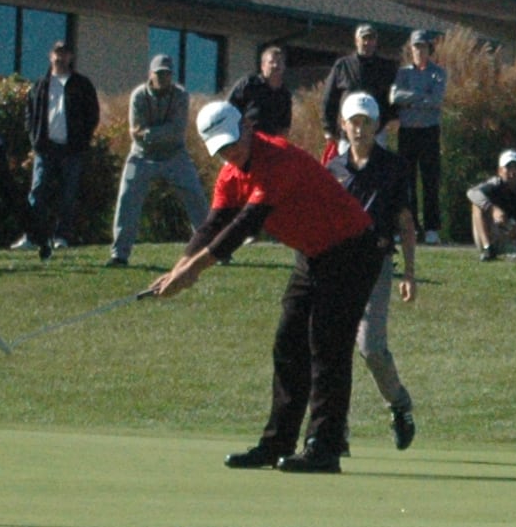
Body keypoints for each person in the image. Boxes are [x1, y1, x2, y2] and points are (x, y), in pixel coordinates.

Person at [150, 101, 383, 474]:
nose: (231, 153)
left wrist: (192, 272)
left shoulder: (277, 159)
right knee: (288, 343)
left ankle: (324, 447)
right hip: (313, 254)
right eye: (222, 149)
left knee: (327, 346)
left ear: (245, 126)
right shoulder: (231, 173)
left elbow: (244, 226)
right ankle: (277, 443)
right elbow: (214, 225)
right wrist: (176, 269)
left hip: (352, 250)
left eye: (233, 142)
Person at [326, 93, 421, 450]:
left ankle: (399, 405)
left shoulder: (393, 168)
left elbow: (406, 222)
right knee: (333, 350)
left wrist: (409, 274)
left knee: (371, 348)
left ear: (376, 125)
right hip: (337, 267)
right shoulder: (332, 170)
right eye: (354, 122)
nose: (359, 128)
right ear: (344, 125)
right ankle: (336, 430)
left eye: (366, 122)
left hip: (376, 265)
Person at [110, 54, 209, 267]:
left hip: (175, 155)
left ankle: (211, 249)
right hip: (141, 156)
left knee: (196, 198)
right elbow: (134, 133)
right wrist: (151, 133)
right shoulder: (138, 96)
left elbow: (176, 131)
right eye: (159, 74)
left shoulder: (181, 95)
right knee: (127, 201)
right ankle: (119, 255)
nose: (163, 78)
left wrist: (148, 132)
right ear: (150, 75)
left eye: (167, 74)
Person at [16, 40, 99, 260]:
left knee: (68, 194)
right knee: (37, 190)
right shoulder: (41, 85)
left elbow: (92, 115)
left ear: (71, 57)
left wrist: (82, 140)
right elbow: (29, 114)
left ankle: (62, 236)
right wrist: (35, 139)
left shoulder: (81, 84)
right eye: (57, 53)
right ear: (50, 55)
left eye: (64, 53)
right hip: (45, 148)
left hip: (72, 149)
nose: (60, 57)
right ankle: (33, 236)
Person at [390, 30, 449, 245]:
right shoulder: (403, 73)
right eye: (416, 46)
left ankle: (432, 228)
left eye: (423, 46)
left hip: (429, 130)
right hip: (407, 131)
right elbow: (395, 96)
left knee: (430, 179)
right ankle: (410, 226)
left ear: (429, 49)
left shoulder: (438, 72)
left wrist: (412, 100)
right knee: (407, 180)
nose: (419, 51)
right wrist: (422, 97)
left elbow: (437, 100)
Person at [319, 24, 396, 156]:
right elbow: (329, 99)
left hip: (376, 134)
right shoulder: (343, 65)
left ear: (376, 41)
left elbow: (393, 99)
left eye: (371, 39)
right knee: (347, 174)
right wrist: (329, 130)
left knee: (376, 173)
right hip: (347, 134)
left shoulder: (386, 68)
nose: (367, 43)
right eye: (364, 38)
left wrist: (389, 120)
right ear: (356, 41)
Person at [466, 149, 516, 262]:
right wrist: (492, 209)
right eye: (508, 168)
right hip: (493, 234)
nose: (513, 172)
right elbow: (471, 193)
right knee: (477, 205)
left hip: (515, 238)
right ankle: (488, 249)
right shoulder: (494, 185)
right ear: (500, 171)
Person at [226, 44, 294, 138]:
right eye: (271, 62)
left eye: (279, 62)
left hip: (270, 144)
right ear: (262, 66)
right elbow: (229, 108)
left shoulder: (285, 94)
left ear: (284, 67)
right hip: (246, 140)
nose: (275, 65)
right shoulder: (249, 84)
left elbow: (285, 127)